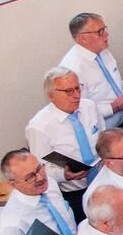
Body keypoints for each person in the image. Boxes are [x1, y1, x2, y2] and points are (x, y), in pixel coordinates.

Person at [25, 66, 103, 221]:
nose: (76, 95)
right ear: (51, 95)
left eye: (78, 88)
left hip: (102, 181)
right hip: (74, 194)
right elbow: (40, 169)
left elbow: (102, 138)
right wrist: (64, 175)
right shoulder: (39, 127)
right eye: (69, 91)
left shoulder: (89, 107)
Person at [59, 12, 123, 130]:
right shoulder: (72, 70)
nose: (107, 34)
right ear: (83, 38)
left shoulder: (102, 51)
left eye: (105, 29)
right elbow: (79, 111)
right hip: (103, 132)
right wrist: (114, 107)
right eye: (100, 32)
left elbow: (111, 81)